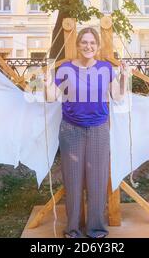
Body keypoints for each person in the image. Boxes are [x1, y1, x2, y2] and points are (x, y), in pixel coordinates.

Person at [44, 27, 128, 238]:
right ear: (78, 45)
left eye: (92, 43)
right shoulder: (65, 69)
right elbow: (51, 97)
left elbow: (117, 96)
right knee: (73, 181)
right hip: (71, 130)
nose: (88, 46)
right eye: (84, 42)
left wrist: (124, 77)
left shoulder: (106, 68)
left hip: (98, 129)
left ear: (97, 46)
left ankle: (96, 229)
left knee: (98, 181)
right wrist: (46, 83)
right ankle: (72, 230)